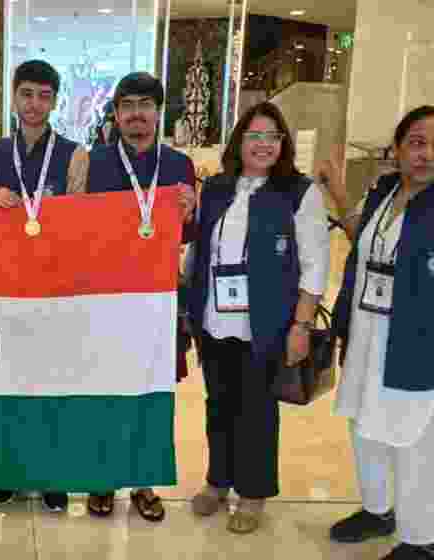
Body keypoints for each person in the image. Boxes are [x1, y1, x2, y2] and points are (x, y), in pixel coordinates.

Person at [320, 106, 434, 560]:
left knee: (414, 443)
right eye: (417, 142)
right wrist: (338, 193)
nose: (427, 154)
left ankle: (422, 538)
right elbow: (366, 243)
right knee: (365, 429)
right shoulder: (384, 189)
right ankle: (378, 510)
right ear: (397, 148)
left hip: (417, 345)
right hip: (367, 335)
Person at [185, 101, 330, 534]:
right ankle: (218, 480)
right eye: (255, 136)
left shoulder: (299, 193)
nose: (263, 145)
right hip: (214, 321)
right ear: (239, 142)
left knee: (257, 411)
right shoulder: (218, 188)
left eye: (272, 137)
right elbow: (199, 251)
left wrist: (301, 325)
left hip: (267, 325)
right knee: (219, 405)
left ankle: (253, 492)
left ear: (283, 144)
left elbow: (316, 265)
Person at [83, 71, 197, 521]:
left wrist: (191, 209)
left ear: (157, 112)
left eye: (145, 105)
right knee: (106, 389)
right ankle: (103, 479)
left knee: (152, 391)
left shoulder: (178, 165)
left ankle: (144, 481)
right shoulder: (94, 163)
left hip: (157, 298)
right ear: (116, 114)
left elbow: (189, 232)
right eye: (127, 105)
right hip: (106, 297)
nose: (136, 114)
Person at [0, 59, 88, 512]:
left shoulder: (74, 153)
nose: (34, 104)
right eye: (26, 93)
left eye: (44, 95)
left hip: (53, 285)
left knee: (51, 382)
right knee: (6, 380)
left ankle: (52, 473)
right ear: (13, 95)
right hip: (2, 285)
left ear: (55, 101)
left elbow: (81, 223)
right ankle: (7, 471)